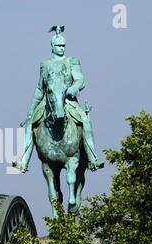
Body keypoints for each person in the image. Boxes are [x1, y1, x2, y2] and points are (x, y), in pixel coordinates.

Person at [13, 25, 104, 173]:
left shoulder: (72, 61)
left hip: (68, 102)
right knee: (30, 124)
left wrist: (71, 90)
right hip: (48, 101)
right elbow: (39, 89)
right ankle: (23, 160)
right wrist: (30, 111)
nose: (61, 48)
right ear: (52, 46)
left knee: (86, 121)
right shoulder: (45, 64)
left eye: (63, 45)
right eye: (58, 45)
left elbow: (80, 80)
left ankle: (93, 157)